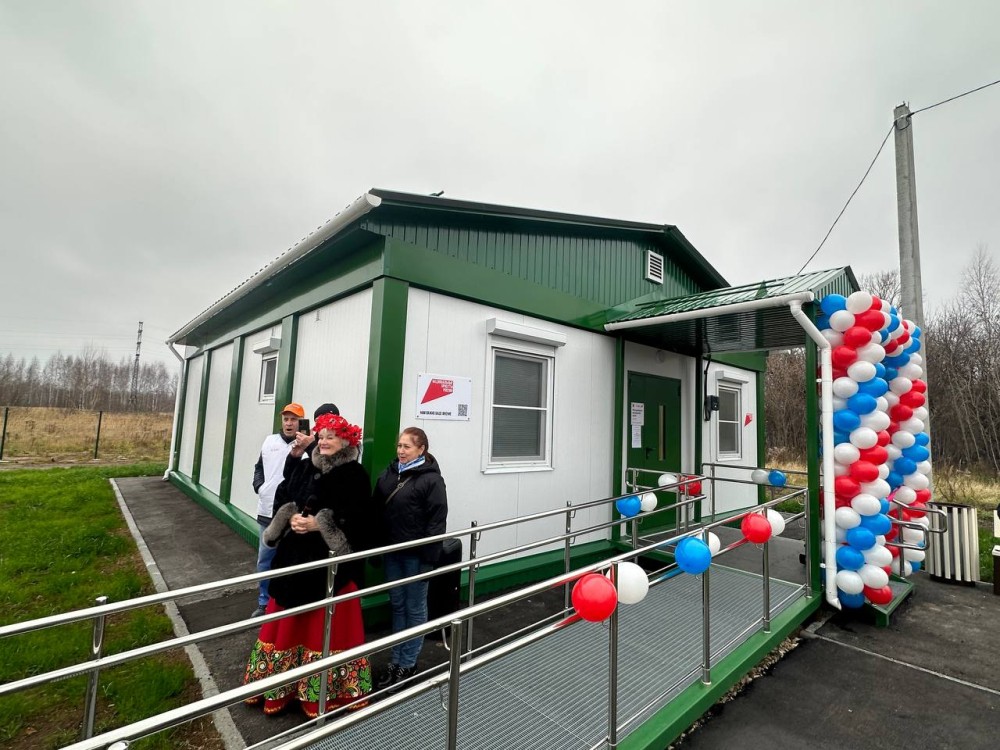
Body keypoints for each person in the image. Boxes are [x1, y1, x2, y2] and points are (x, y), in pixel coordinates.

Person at [243, 412, 375, 716]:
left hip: (329, 569)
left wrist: (320, 524)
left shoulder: (354, 473)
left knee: (322, 625)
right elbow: (286, 495)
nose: (326, 441)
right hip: (294, 560)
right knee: (286, 622)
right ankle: (281, 687)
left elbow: (360, 518)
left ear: (347, 441)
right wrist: (290, 519)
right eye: (323, 435)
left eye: (333, 436)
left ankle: (324, 692)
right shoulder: (305, 466)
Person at [373, 427, 448, 690]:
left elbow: (437, 521)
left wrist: (429, 557)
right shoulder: (390, 474)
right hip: (393, 553)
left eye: (407, 446)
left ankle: (409, 663)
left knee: (415, 608)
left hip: (416, 556)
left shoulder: (431, 480)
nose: (401, 451)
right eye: (399, 446)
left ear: (421, 449)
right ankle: (396, 660)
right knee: (398, 605)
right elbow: (378, 512)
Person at [250, 402, 305, 618]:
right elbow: (258, 467)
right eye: (286, 419)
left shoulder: (306, 446)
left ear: (301, 422)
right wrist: (260, 487)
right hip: (267, 512)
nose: (289, 423)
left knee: (290, 559)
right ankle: (264, 602)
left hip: (292, 515)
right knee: (265, 559)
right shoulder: (269, 441)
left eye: (294, 419)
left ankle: (285, 602)